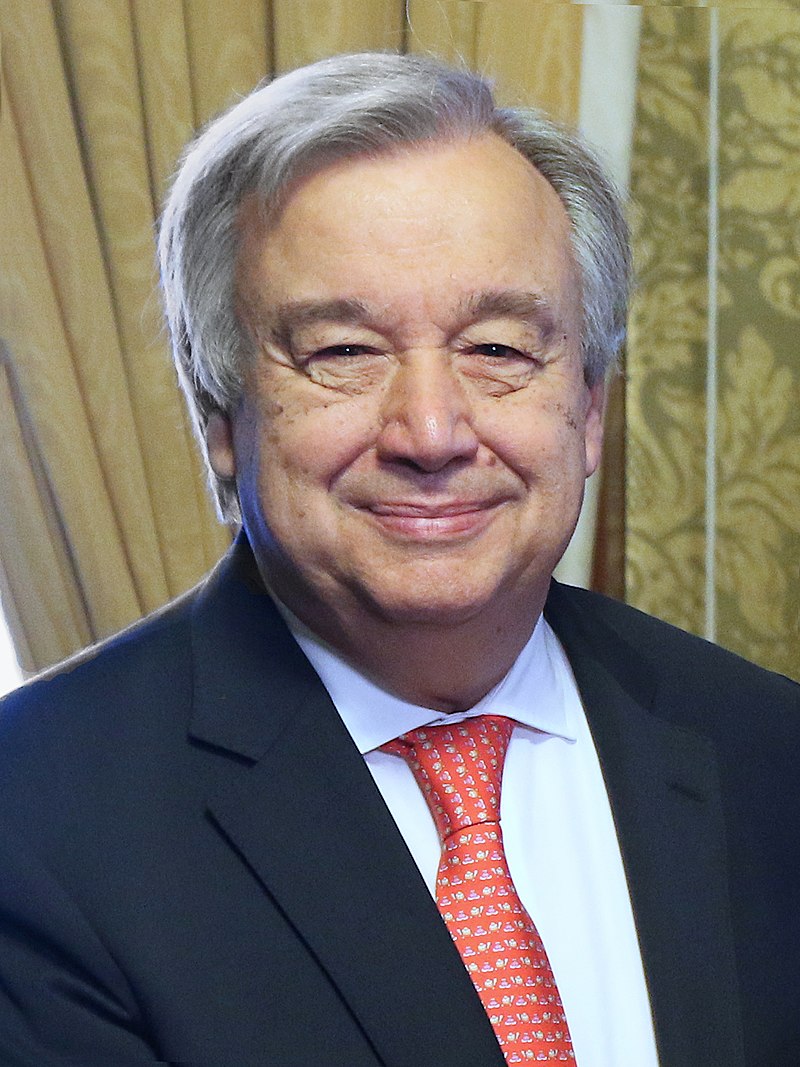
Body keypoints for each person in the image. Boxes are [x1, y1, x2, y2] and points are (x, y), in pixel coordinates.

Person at [0, 52, 798, 1067]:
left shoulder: (766, 748)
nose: (430, 431)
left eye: (498, 349)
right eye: (343, 351)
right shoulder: (34, 817)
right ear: (220, 415)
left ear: (590, 406)